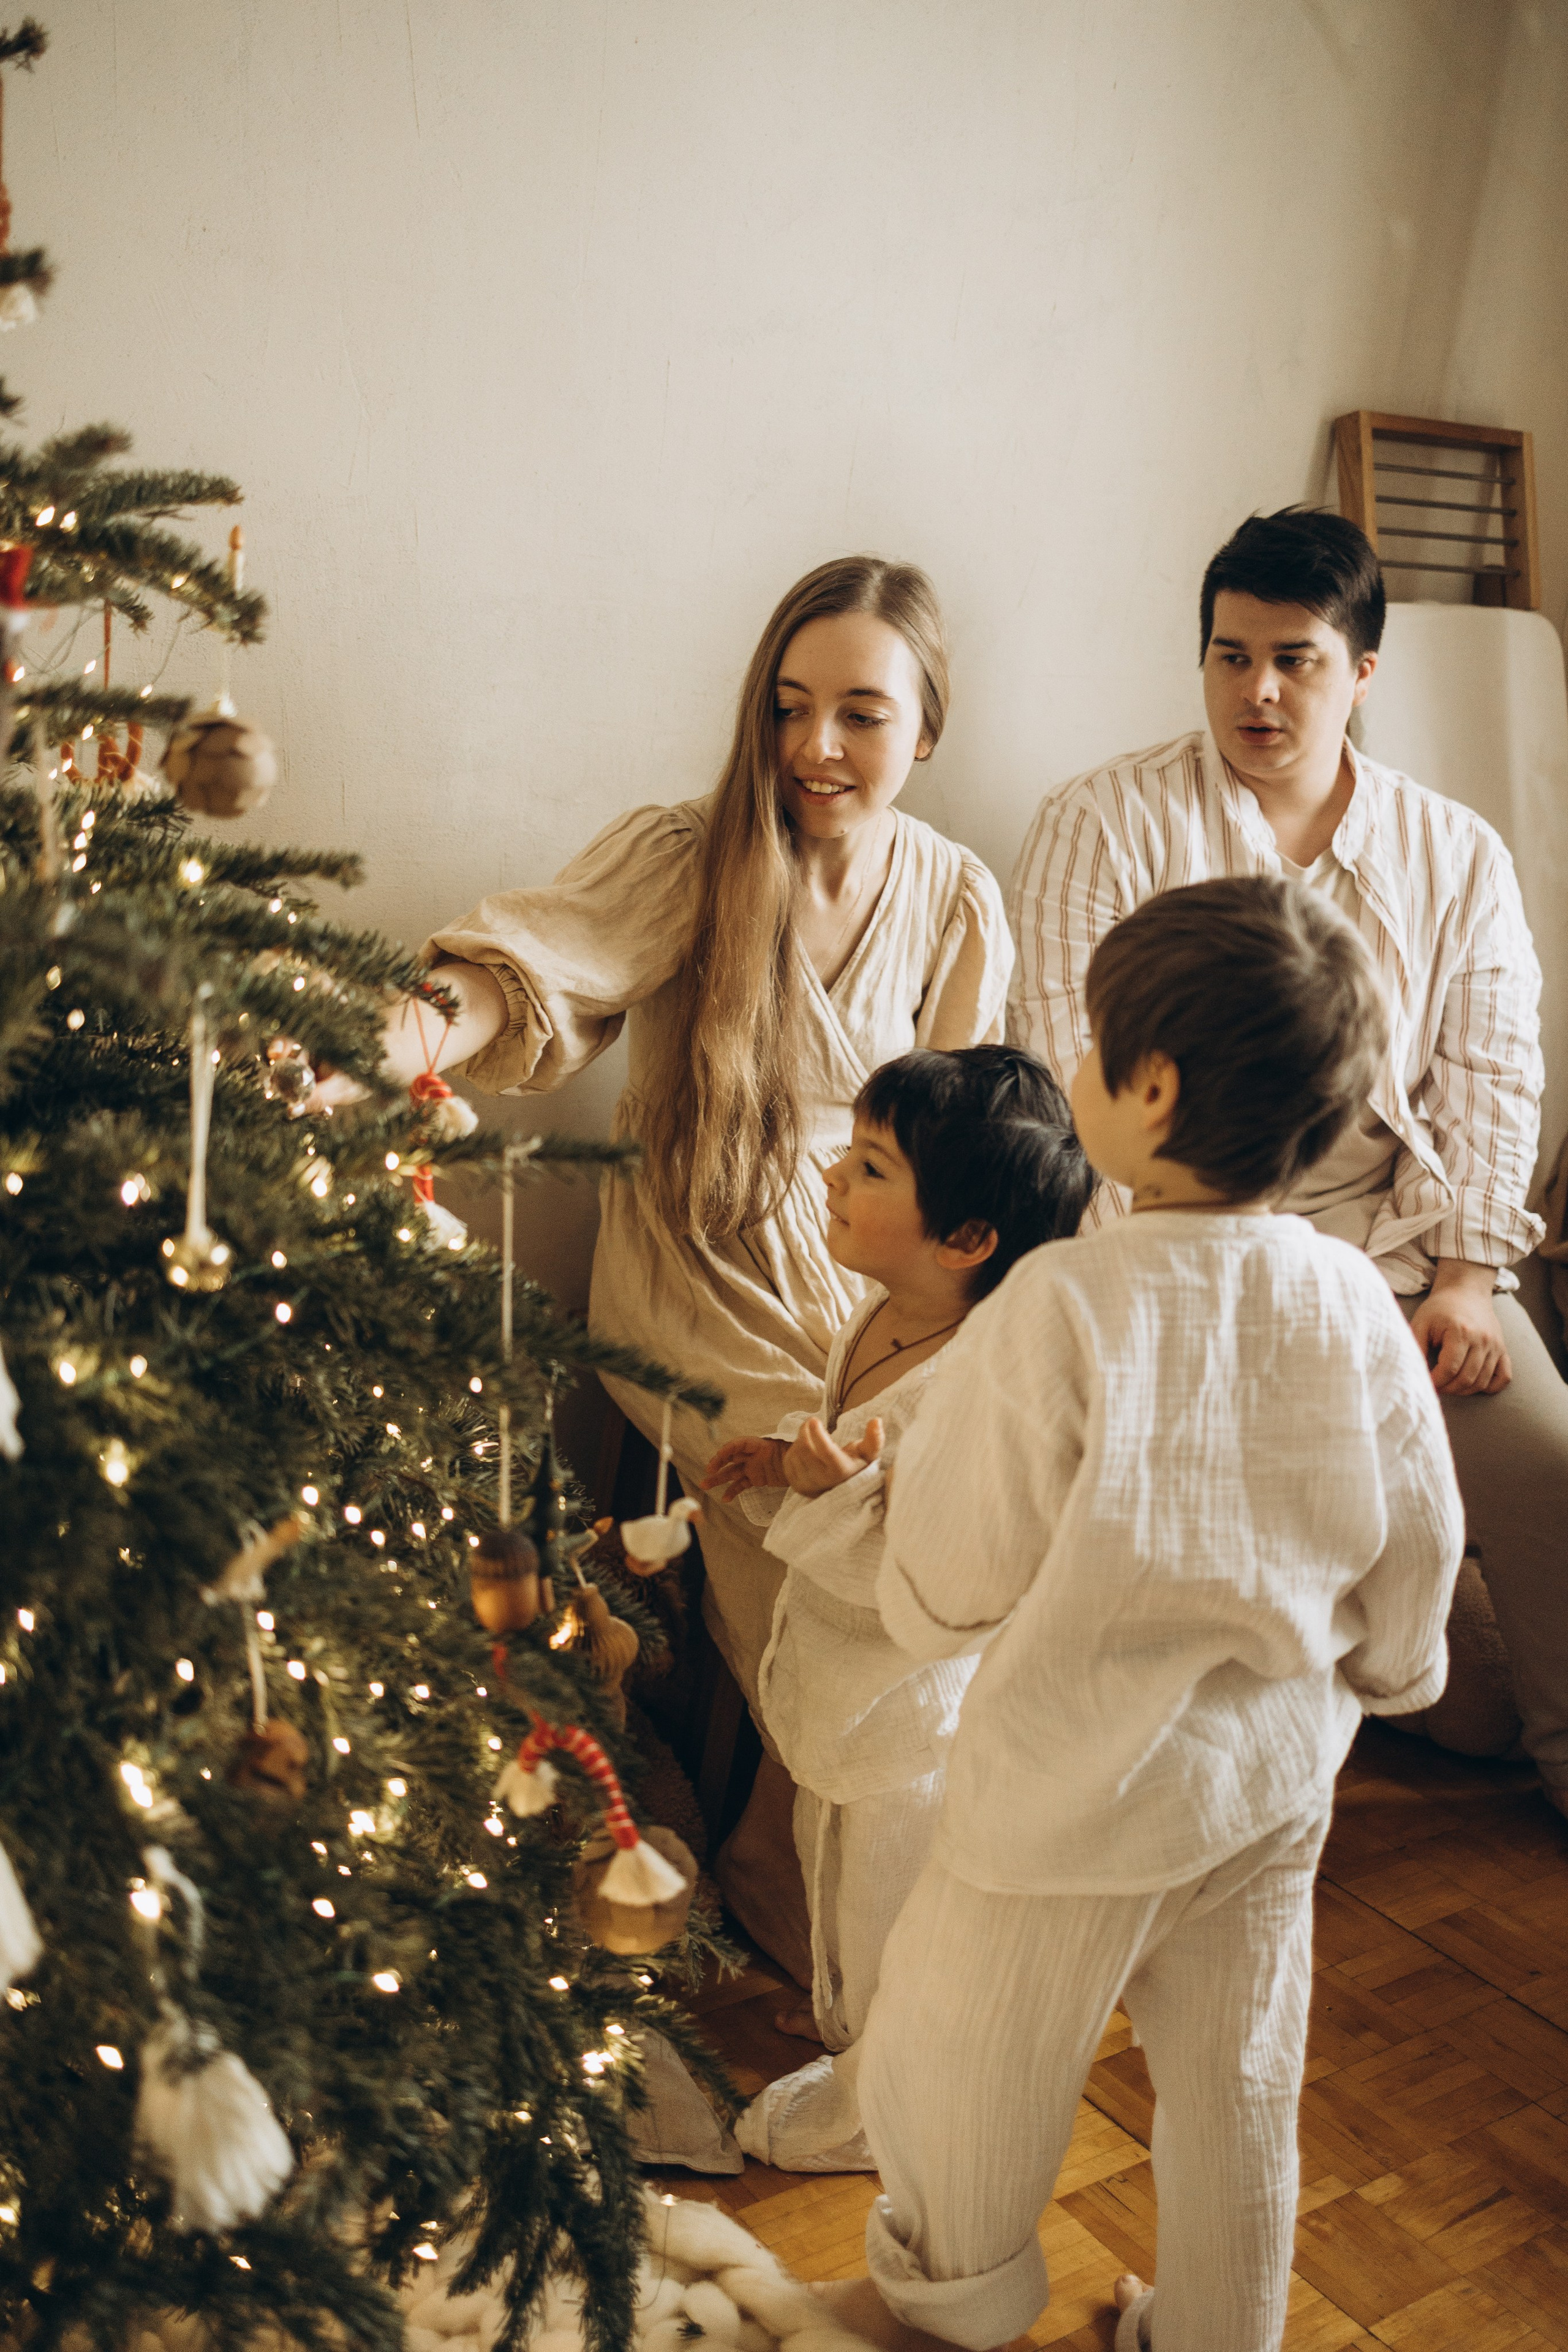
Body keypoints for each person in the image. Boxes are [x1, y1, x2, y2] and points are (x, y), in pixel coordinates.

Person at [817, 879, 1463, 2352]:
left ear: (1150, 1088)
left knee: (960, 2060)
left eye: (1096, 1050)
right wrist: (1389, 1667)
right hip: (1265, 1786)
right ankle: (1218, 2333)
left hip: (1063, 1805)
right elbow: (1415, 1534)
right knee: (1236, 2088)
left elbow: (953, 1582)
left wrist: (909, 1583)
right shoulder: (1352, 1297)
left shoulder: (1063, 1307)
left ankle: (942, 2308)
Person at [356, 556, 1014, 1973]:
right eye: (787, 708)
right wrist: (405, 1040)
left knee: (937, 1509)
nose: (815, 751)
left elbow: (964, 1161)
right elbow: (524, 967)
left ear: (928, 727)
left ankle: (827, 1855)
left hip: (870, 1282)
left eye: (859, 714)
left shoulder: (956, 897)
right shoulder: (691, 853)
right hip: (699, 1272)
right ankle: (801, 1884)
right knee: (828, 1528)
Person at [1006, 506, 1568, 1811]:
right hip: (1179, 1246)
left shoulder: (1454, 851)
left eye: (1294, 659)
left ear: (1360, 672)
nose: (1254, 692)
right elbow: (1061, 1070)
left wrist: (1472, 1277)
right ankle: (1180, 1785)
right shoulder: (1100, 820)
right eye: (1228, 656)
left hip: (1401, 1249)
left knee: (1543, 1469)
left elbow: (1492, 1071)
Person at [701, 1046, 1094, 2173]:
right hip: (844, 1685)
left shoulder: (985, 1384)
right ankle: (854, 2030)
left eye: (871, 1168)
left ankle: (884, 2111)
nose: (833, 1174)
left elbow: (957, 1561)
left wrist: (850, 1493)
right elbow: (853, 1443)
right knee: (834, 1873)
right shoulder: (881, 1314)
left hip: (913, 1705)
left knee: (891, 1908)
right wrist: (788, 1459)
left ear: (968, 1241)